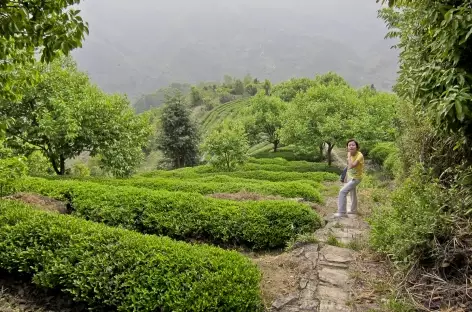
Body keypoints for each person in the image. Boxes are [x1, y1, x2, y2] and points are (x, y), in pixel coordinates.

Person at [334, 139, 364, 217]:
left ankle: (342, 212)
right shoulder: (350, 154)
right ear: (347, 147)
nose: (351, 146)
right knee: (352, 194)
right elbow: (348, 168)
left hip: (356, 178)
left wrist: (349, 156)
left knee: (342, 192)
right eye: (349, 145)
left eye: (353, 145)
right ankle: (353, 210)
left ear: (356, 147)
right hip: (350, 177)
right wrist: (345, 177)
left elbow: (351, 165)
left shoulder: (359, 155)